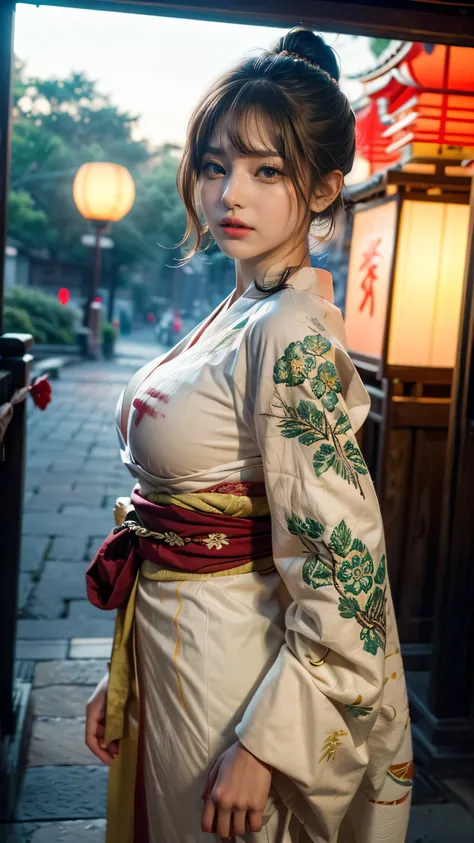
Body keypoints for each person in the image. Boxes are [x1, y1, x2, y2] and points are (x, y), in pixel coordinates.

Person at [85, 26, 412, 843]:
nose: (232, 192)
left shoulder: (291, 330)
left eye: (269, 171)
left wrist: (269, 743)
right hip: (176, 640)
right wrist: (122, 674)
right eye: (215, 164)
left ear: (326, 186)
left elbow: (345, 568)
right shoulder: (243, 310)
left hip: (230, 666)